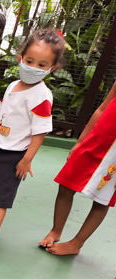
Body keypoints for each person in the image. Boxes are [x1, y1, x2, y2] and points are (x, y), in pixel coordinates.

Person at [0, 29, 64, 250]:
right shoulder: (12, 86)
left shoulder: (41, 95)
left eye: (42, 64)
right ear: (20, 58)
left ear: (52, 68)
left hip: (14, 155)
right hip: (0, 148)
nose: (33, 67)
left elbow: (40, 132)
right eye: (29, 61)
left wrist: (27, 159)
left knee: (0, 197)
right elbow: (2, 117)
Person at [38, 79, 116, 255]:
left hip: (114, 158)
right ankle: (56, 231)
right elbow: (102, 109)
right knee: (66, 184)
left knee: (102, 199)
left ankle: (76, 243)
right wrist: (81, 141)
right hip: (95, 142)